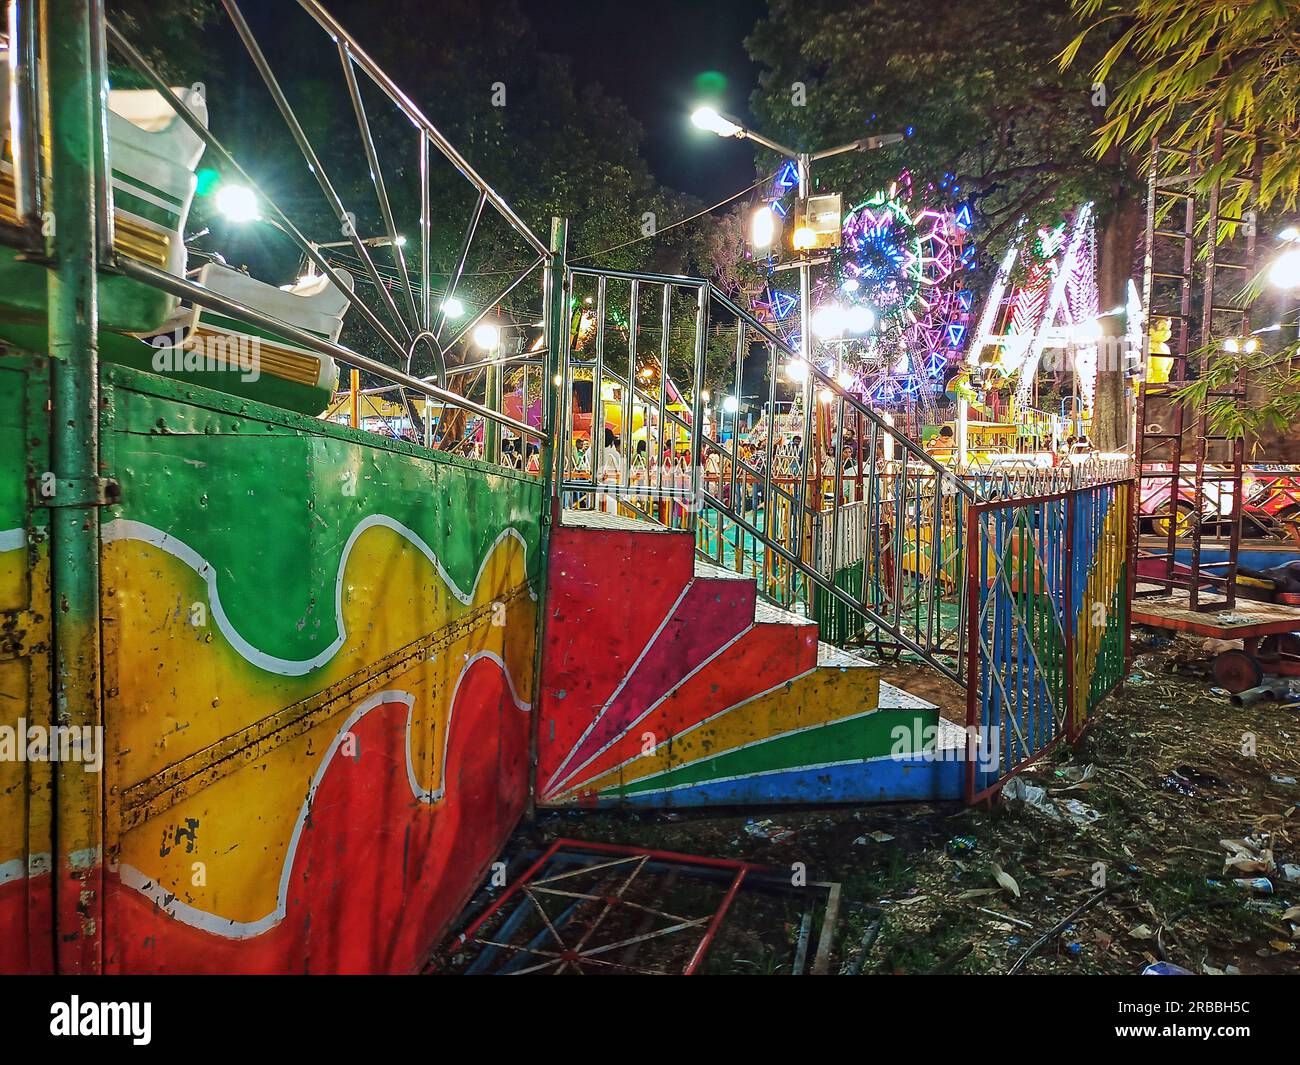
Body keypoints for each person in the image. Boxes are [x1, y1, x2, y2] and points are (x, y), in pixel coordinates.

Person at [598, 428, 623, 514]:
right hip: (612, 489)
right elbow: (620, 470)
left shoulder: (592, 451)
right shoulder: (614, 454)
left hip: (595, 489)